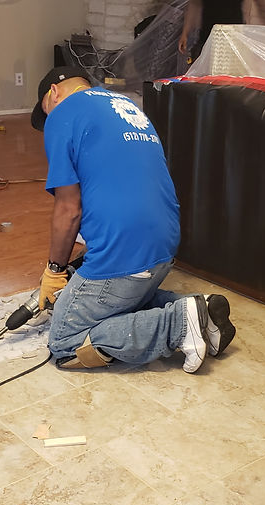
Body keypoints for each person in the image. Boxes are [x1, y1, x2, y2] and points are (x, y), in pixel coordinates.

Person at [30, 66, 236, 373]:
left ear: (54, 93)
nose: (49, 119)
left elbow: (69, 209)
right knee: (120, 300)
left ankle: (177, 323)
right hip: (164, 246)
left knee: (65, 341)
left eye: (46, 111)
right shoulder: (125, 106)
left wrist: (55, 270)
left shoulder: (62, 113)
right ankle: (201, 310)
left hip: (126, 254)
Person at [178, 0, 245, 62]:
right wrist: (185, 33)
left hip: (234, 36)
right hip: (208, 35)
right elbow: (194, 4)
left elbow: (248, 9)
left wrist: (247, 35)